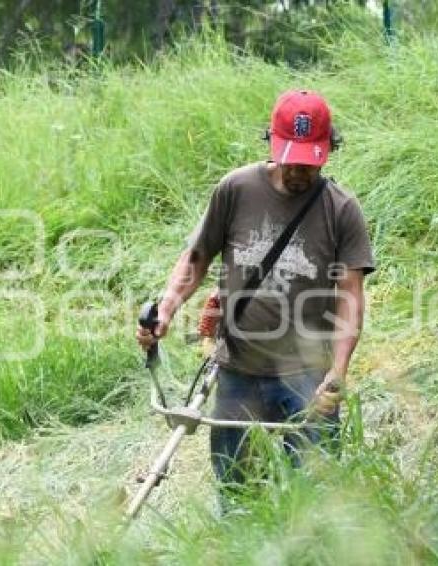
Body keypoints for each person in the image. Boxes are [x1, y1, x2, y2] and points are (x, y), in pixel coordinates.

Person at [136, 90, 375, 495]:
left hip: (308, 377)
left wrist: (338, 371)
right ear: (272, 142)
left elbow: (350, 297)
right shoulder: (236, 189)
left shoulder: (341, 209)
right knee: (237, 492)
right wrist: (166, 308)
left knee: (316, 496)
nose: (298, 171)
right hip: (239, 371)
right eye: (291, 159)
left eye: (309, 162)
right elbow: (196, 259)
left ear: (328, 148)